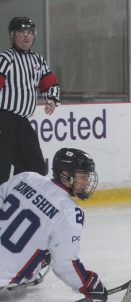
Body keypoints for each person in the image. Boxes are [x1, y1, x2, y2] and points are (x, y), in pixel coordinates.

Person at [0, 148, 107, 302]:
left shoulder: (26, 177)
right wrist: (89, 284)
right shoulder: (69, 212)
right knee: (47, 248)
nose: (86, 182)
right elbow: (65, 264)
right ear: (65, 174)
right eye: (82, 176)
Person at [0, 17, 61, 184]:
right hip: (3, 120)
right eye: (21, 32)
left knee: (36, 168)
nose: (26, 36)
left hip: (22, 122)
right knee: (1, 171)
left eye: (30, 32)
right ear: (12, 36)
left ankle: (16, 200)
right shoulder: (6, 58)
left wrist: (52, 99)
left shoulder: (37, 60)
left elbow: (50, 83)